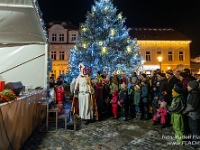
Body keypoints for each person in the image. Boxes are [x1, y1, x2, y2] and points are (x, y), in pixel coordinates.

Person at [183, 80, 200, 149]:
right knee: (193, 129)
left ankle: (195, 143)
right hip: (192, 114)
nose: (187, 87)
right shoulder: (192, 93)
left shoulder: (195, 94)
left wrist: (184, 110)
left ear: (192, 87)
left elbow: (192, 106)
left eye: (188, 86)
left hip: (194, 115)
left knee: (194, 129)